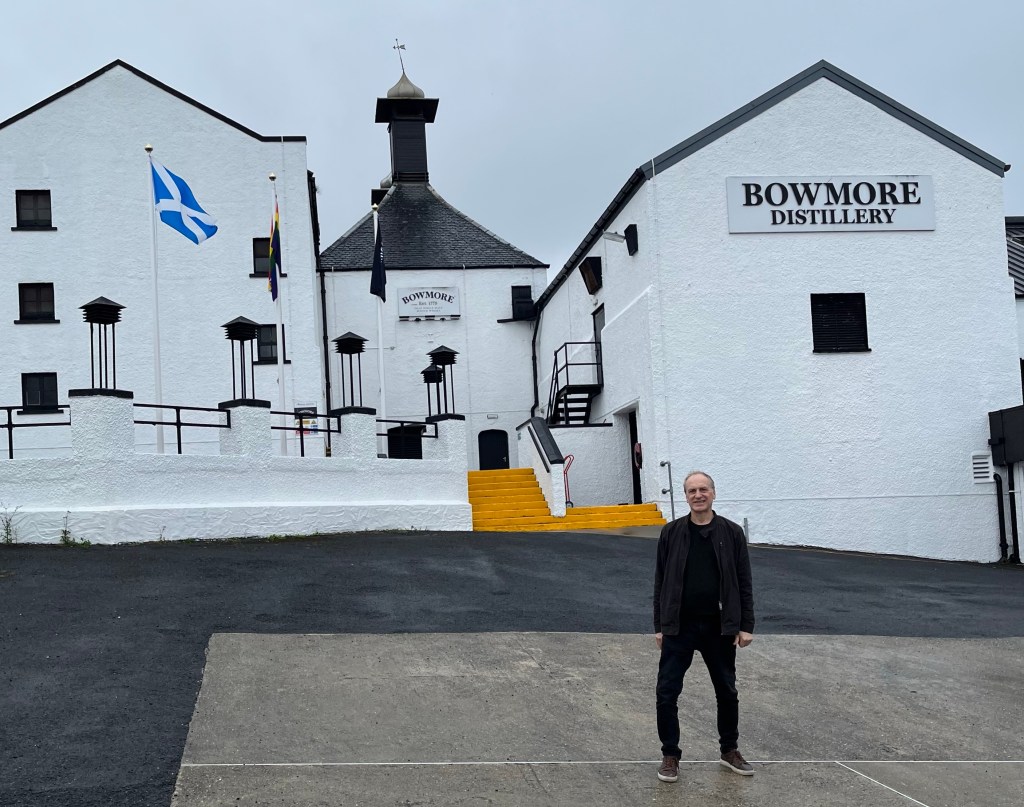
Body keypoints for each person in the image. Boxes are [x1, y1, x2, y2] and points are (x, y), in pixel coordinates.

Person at [653, 470, 755, 783]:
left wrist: (745, 624)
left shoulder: (732, 533)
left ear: (713, 493)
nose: (698, 495)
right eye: (692, 491)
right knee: (667, 692)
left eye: (703, 490)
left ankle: (729, 750)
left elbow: (743, 581)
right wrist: (660, 624)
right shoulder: (671, 533)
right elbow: (660, 582)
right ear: (685, 496)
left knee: (726, 690)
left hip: (719, 627)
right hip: (679, 627)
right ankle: (670, 755)